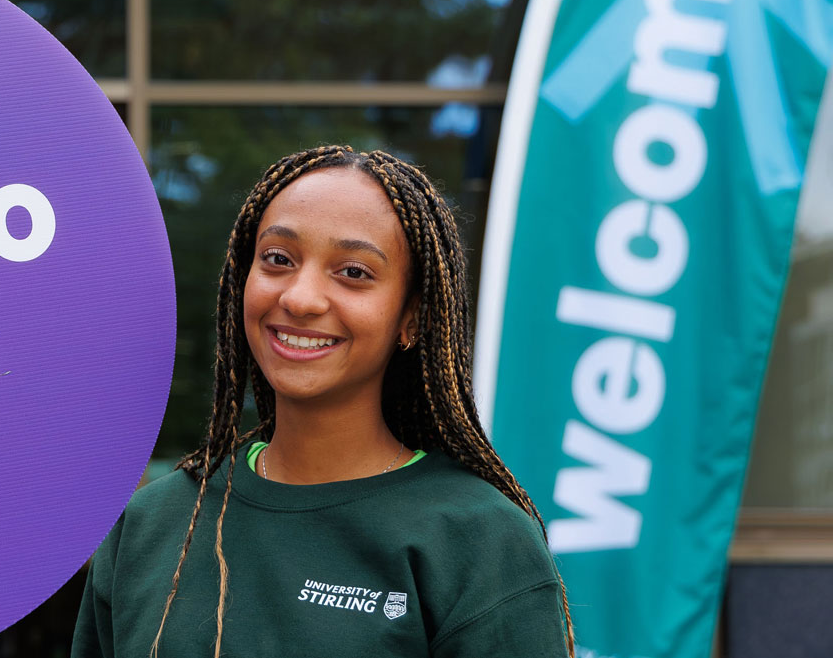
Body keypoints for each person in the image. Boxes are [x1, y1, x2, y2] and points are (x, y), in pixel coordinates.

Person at [73, 146, 573, 657]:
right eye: (278, 260)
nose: (301, 298)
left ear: (412, 317)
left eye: (354, 272)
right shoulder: (152, 523)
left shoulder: (479, 540)